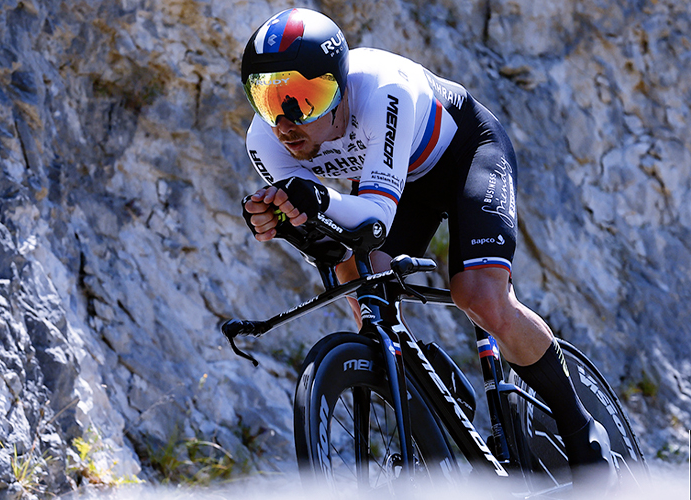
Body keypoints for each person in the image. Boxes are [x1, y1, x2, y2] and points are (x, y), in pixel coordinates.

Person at [238, 7, 614, 490]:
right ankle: (424, 381)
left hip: (466, 156)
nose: (285, 122)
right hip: (400, 183)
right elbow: (330, 239)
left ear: (339, 88)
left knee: (480, 297)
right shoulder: (264, 140)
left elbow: (375, 218)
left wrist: (316, 201)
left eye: (304, 99)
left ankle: (582, 431)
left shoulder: (382, 91)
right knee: (361, 282)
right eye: (269, 99)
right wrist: (290, 225)